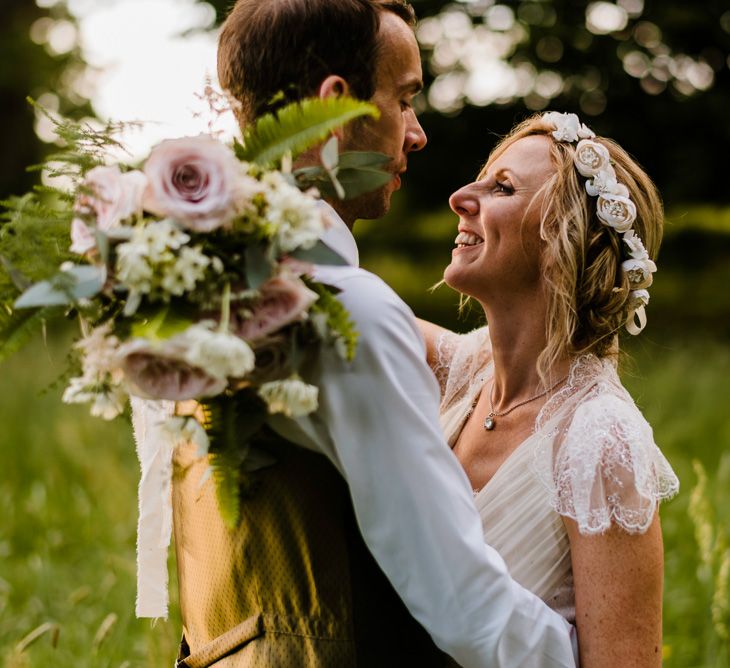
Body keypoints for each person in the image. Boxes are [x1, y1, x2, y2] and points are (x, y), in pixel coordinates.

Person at [130, 1, 582, 666]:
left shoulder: (187, 282)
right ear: (336, 108)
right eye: (403, 99)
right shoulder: (347, 315)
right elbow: (460, 601)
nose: (418, 134)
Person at [418, 111, 680, 667]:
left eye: (501, 188)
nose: (461, 197)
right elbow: (339, 302)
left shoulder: (599, 440)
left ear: (563, 239)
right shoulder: (464, 371)